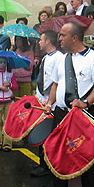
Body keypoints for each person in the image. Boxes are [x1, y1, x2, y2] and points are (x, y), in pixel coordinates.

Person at [44, 22, 94, 187]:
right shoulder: (61, 59)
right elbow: (55, 84)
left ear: (75, 38)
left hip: (82, 115)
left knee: (87, 156)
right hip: (62, 113)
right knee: (58, 154)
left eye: (63, 35)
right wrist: (50, 103)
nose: (59, 39)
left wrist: (86, 102)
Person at [30, 30, 64, 177]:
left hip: (53, 105)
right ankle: (43, 163)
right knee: (43, 134)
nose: (39, 43)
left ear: (48, 41)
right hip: (43, 102)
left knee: (51, 136)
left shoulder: (59, 58)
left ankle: (51, 165)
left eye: (41, 40)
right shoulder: (46, 58)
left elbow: (56, 83)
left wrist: (50, 101)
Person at [0, 56, 17, 152]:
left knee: (8, 122)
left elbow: (15, 86)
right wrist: (0, 87)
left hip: (8, 101)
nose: (2, 64)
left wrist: (10, 84)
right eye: (0, 62)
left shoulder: (10, 74)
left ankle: (7, 144)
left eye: (4, 62)